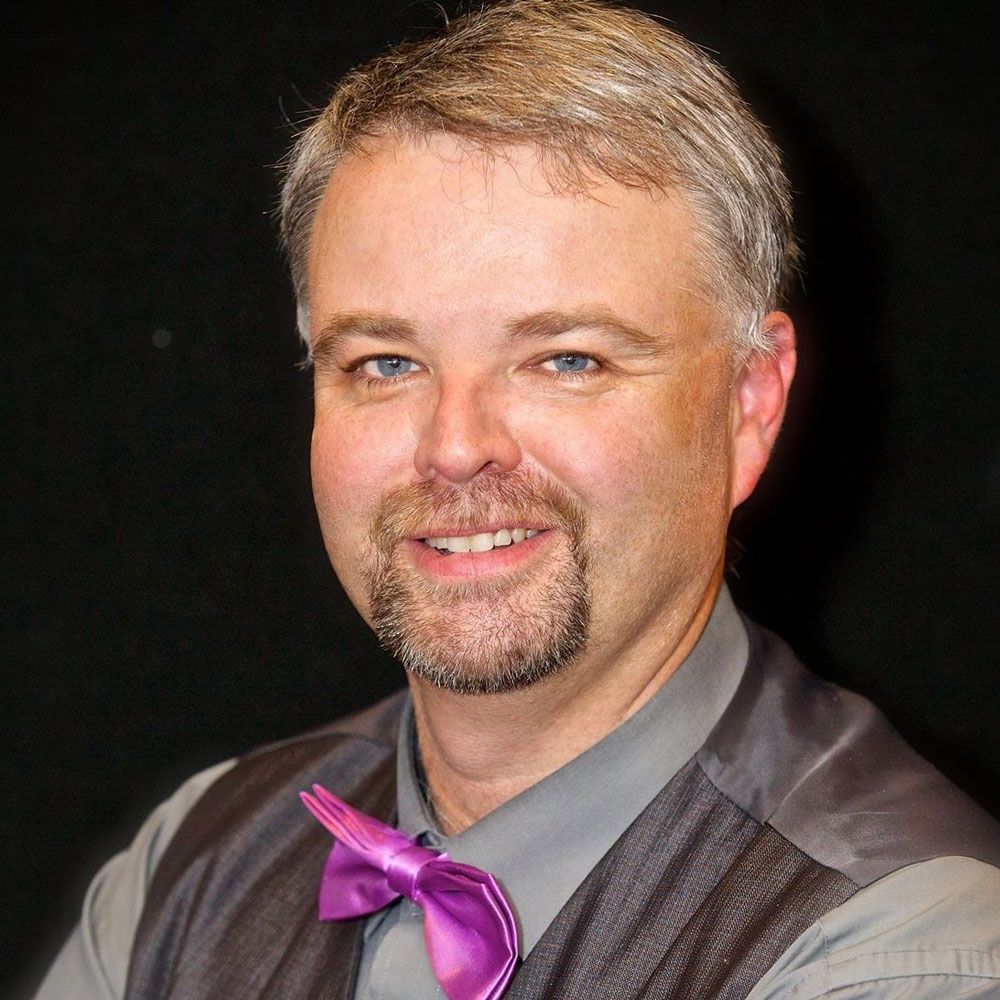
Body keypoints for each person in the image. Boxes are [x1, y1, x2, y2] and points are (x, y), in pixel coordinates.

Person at [34, 1, 1000, 998]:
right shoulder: (186, 865)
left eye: (564, 359)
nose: (455, 447)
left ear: (748, 407)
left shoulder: (905, 945)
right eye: (385, 362)